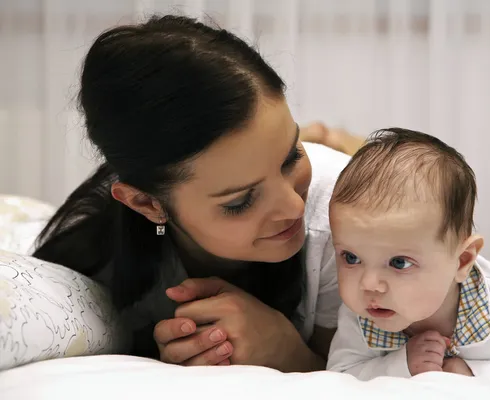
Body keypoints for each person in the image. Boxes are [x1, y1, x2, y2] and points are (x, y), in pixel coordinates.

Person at [33, 14, 351, 372]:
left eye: (292, 155)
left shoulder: (347, 215)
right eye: (240, 200)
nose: (294, 206)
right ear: (146, 204)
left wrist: (291, 356)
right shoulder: (92, 258)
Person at [326, 128, 490, 379]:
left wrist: (473, 371)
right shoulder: (363, 311)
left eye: (399, 263)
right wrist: (402, 365)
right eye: (351, 258)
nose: (369, 283)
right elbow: (341, 374)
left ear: (462, 261)